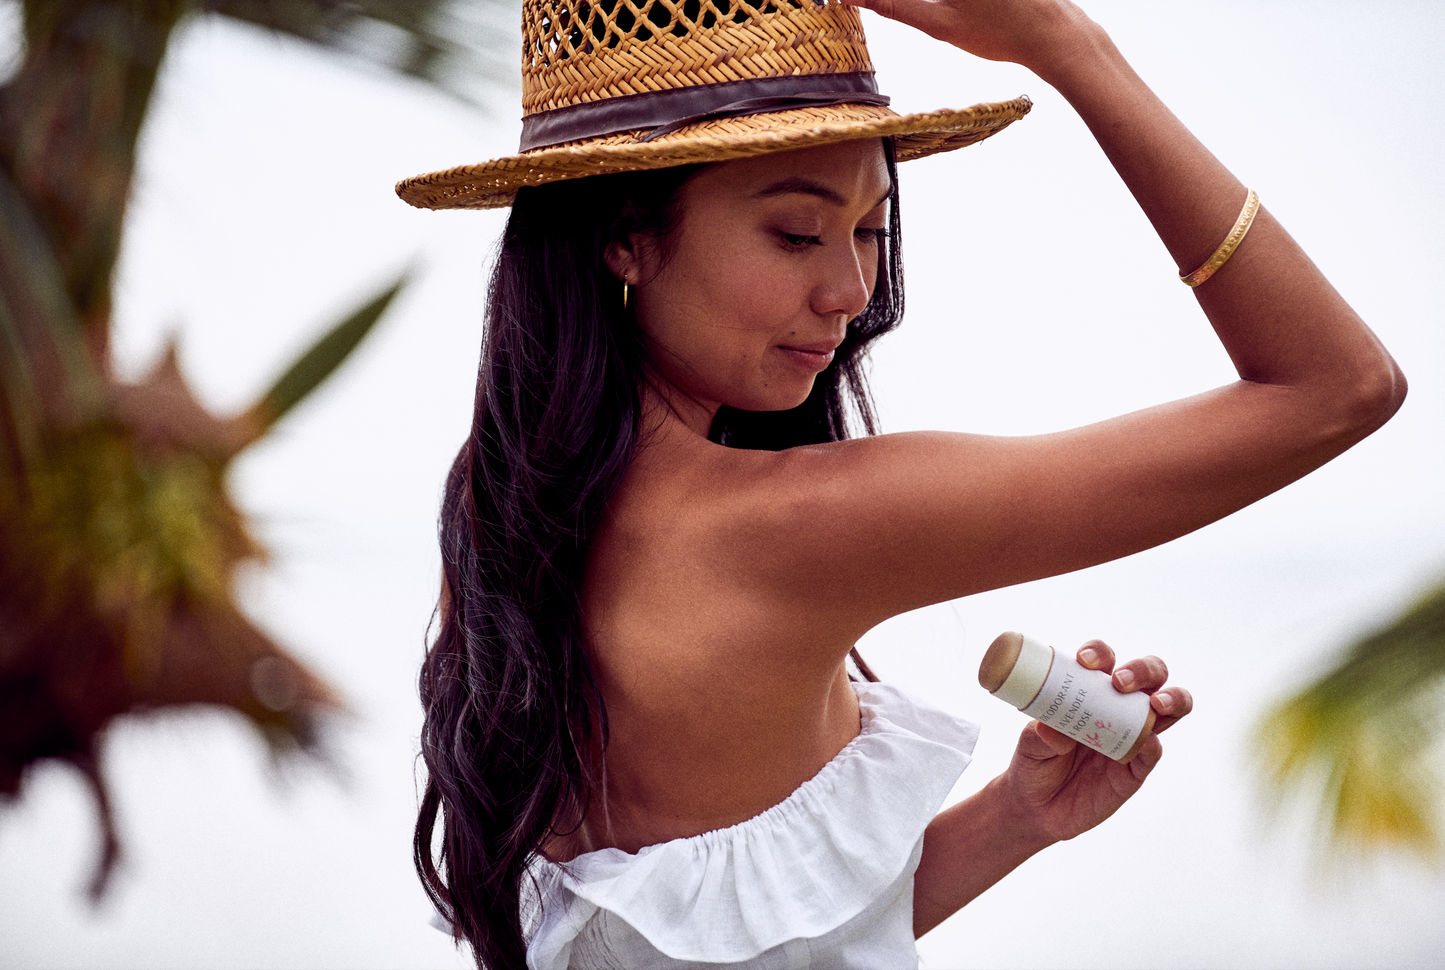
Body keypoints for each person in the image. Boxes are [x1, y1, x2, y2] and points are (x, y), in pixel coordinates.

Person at [396, 0, 1405, 965]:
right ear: (623, 233)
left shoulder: (504, 508)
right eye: (796, 232)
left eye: (871, 229)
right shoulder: (794, 526)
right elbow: (1335, 388)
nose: (848, 289)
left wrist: (1016, 815)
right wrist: (1067, 46)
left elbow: (709, 939)